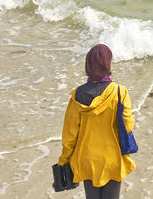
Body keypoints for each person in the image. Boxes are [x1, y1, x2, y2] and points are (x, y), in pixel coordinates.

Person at [58, 44, 135, 198]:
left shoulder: (77, 95)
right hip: (112, 158)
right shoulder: (120, 92)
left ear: (88, 65)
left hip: (87, 159)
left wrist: (64, 159)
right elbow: (127, 124)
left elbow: (69, 135)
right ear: (108, 64)